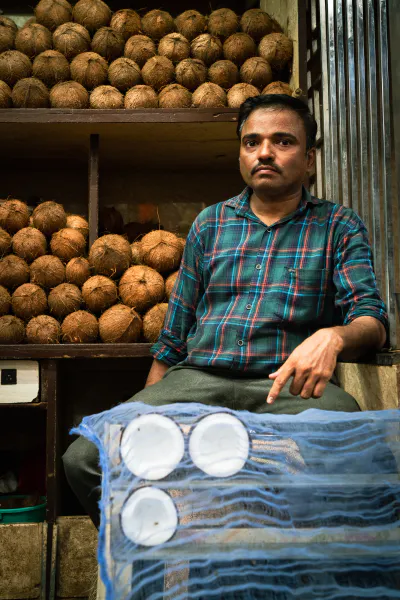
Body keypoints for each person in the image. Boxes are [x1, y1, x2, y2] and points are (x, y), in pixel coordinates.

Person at [63, 94, 388, 527]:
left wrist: (333, 336)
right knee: (85, 457)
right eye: (252, 142)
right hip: (199, 378)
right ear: (241, 153)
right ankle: (158, 554)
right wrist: (151, 403)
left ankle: (291, 566)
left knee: (360, 453)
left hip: (285, 386)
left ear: (309, 160)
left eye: (282, 142)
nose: (265, 152)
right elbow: (175, 331)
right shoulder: (210, 223)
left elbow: (373, 320)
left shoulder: (338, 226)